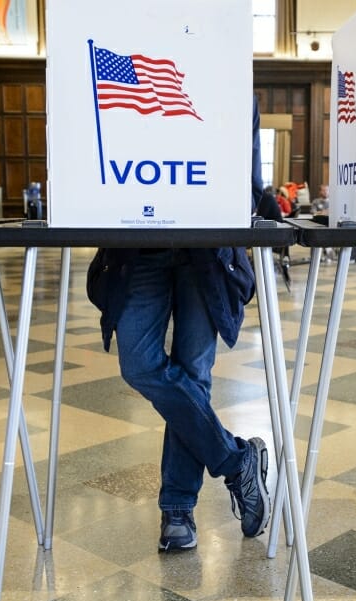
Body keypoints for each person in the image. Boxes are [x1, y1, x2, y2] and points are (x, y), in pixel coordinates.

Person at [86, 98, 275, 552]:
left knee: (192, 375)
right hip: (137, 242)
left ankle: (177, 509)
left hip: (206, 247)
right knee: (140, 365)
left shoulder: (229, 80)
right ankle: (236, 461)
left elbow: (247, 176)